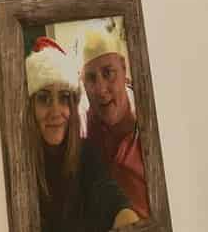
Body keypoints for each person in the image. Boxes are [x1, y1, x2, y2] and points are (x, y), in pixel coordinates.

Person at [26, 38, 139, 232]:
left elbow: (110, 197)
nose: (56, 111)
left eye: (64, 98)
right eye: (44, 98)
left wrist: (128, 219)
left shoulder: (85, 152)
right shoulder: (19, 166)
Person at [82, 26, 150, 220]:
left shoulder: (153, 125)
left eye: (108, 73)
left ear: (123, 68)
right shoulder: (82, 134)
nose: (101, 89)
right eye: (91, 78)